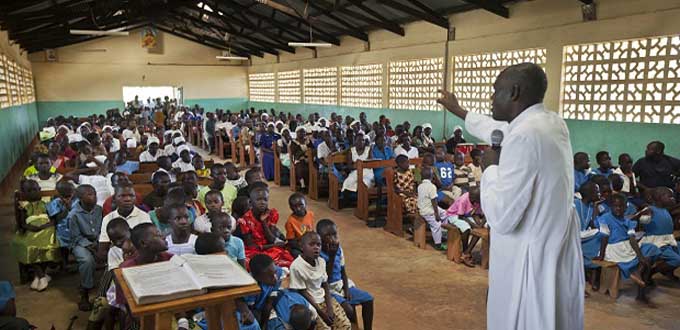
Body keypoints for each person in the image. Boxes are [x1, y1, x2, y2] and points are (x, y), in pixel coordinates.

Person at [437, 62, 583, 329]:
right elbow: (497, 129)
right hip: (551, 247)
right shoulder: (551, 123)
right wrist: (457, 110)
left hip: (528, 258)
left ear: (514, 92)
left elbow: (503, 216)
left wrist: (490, 168)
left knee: (524, 319)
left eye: (496, 91)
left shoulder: (524, 136)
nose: (491, 98)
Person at [595, 193, 660, 303]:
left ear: (626, 207)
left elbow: (632, 239)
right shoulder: (605, 218)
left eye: (621, 206)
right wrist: (601, 255)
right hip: (614, 248)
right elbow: (604, 238)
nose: (618, 209)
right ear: (611, 207)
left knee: (651, 249)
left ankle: (638, 274)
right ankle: (635, 274)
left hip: (627, 246)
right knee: (630, 259)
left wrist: (640, 256)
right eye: (615, 206)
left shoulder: (628, 221)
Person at [317, 220, 373, 330]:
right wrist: (331, 257)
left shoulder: (338, 249)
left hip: (341, 284)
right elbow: (325, 280)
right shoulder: (318, 255)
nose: (332, 238)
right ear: (319, 237)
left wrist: (346, 289)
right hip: (328, 290)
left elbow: (343, 271)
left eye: (334, 234)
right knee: (349, 309)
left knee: (368, 299)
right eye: (327, 236)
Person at [289, 232, 351, 330]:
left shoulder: (321, 261)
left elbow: (325, 284)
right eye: (312, 244)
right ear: (302, 247)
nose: (316, 247)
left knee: (345, 325)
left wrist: (329, 307)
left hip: (324, 299)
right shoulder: (296, 267)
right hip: (310, 303)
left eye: (318, 244)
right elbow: (303, 292)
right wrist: (321, 313)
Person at [11, 179, 60, 292]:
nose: (32, 193)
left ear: (39, 190)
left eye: (34, 190)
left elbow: (53, 220)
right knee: (28, 245)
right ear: (24, 193)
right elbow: (22, 223)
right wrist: (32, 228)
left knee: (49, 244)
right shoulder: (23, 206)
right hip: (31, 230)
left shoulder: (47, 203)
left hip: (47, 229)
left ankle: (39, 276)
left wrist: (44, 226)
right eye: (28, 191)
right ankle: (42, 276)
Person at [246, 254, 317, 330]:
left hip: (275, 299)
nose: (275, 278)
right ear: (257, 277)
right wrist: (264, 323)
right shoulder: (252, 289)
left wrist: (272, 298)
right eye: (270, 276)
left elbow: (273, 297)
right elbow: (251, 308)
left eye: (275, 273)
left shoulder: (275, 272)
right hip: (260, 308)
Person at [237, 182, 293, 268]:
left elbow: (271, 238)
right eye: (258, 200)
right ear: (251, 203)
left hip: (269, 246)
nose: (262, 202)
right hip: (255, 250)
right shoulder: (245, 220)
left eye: (265, 199)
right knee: (253, 263)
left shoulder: (272, 214)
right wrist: (273, 245)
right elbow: (252, 246)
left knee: (287, 258)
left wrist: (263, 222)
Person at [67, 184, 103, 311]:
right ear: (80, 197)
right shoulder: (74, 215)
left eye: (94, 194)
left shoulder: (99, 210)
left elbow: (102, 230)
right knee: (87, 260)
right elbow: (76, 237)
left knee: (113, 254)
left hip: (98, 240)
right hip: (80, 243)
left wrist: (100, 244)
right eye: (89, 194)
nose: (94, 197)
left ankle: (107, 291)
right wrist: (93, 248)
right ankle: (85, 292)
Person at [417, 167, 470, 251]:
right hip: (428, 211)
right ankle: (438, 244)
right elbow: (434, 200)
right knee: (436, 225)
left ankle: (444, 232)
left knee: (445, 214)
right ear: (432, 177)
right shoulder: (431, 186)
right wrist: (436, 213)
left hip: (424, 207)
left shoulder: (420, 186)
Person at [98, 183, 152, 261]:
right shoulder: (108, 218)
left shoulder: (144, 216)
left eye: (131, 196)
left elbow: (148, 243)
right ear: (114, 198)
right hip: (116, 258)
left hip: (140, 258)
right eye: (122, 196)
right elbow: (103, 247)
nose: (128, 199)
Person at [640, 188, 680, 279]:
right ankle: (652, 272)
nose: (673, 198)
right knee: (676, 259)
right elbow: (643, 221)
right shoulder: (650, 209)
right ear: (659, 197)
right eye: (669, 196)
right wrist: (646, 215)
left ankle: (668, 271)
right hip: (657, 243)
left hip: (668, 241)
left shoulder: (664, 210)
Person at [573, 181, 605, 289]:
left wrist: (596, 208)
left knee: (602, 236)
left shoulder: (594, 206)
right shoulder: (575, 204)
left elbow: (594, 224)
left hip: (586, 236)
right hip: (574, 236)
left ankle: (595, 269)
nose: (600, 194)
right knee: (598, 238)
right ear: (589, 193)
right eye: (597, 191)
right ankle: (593, 271)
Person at [445, 186, 483, 267]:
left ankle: (467, 252)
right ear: (472, 197)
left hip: (466, 215)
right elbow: (460, 216)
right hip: (454, 215)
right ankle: (466, 251)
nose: (478, 202)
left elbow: (476, 214)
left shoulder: (477, 200)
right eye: (476, 200)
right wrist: (472, 224)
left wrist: (478, 224)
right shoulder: (464, 199)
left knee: (479, 230)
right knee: (466, 229)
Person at [46, 180, 76, 267]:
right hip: (62, 226)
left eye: (70, 195)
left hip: (75, 224)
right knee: (62, 239)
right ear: (59, 194)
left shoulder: (76, 200)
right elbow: (58, 218)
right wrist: (67, 207)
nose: (69, 197)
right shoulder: (56, 202)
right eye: (65, 196)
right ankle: (64, 263)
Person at [286, 193, 315, 258]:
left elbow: (312, 230)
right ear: (291, 208)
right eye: (295, 206)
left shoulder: (310, 214)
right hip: (298, 245)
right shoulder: (290, 221)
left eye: (301, 205)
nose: (298, 209)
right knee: (296, 254)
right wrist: (304, 248)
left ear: (305, 204)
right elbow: (291, 242)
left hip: (309, 241)